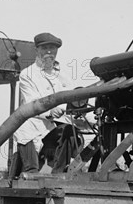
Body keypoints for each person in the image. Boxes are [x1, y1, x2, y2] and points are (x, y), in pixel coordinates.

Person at [12, 32, 81, 175]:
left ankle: (59, 172)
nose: (49, 52)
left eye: (53, 48)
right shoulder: (27, 74)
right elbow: (32, 103)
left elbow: (74, 99)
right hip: (37, 122)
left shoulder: (64, 75)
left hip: (59, 126)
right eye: (45, 48)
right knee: (24, 128)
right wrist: (51, 111)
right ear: (36, 50)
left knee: (72, 130)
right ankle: (31, 171)